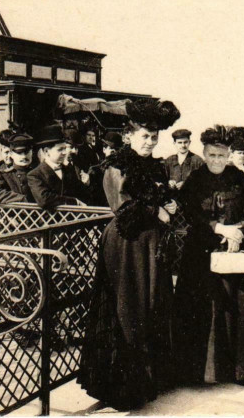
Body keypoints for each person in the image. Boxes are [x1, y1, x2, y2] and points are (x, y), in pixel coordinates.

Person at [78, 98, 181, 411]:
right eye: (144, 137)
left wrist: (170, 204)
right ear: (129, 137)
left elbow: (160, 195)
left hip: (151, 246)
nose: (149, 142)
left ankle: (151, 380)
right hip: (127, 244)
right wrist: (159, 212)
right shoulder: (118, 164)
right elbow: (122, 209)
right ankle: (123, 388)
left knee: (152, 304)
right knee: (128, 307)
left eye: (153, 137)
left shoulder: (154, 164)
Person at [173, 125, 244, 387]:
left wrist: (238, 231)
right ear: (204, 153)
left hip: (233, 250)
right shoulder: (195, 178)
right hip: (201, 251)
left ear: (228, 155)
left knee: (235, 309)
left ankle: (237, 371)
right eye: (211, 155)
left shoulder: (240, 178)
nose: (216, 161)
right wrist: (217, 228)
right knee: (202, 308)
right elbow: (190, 212)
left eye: (221, 156)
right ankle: (197, 374)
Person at [28, 125, 88, 211]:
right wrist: (74, 201)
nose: (64, 152)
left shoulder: (68, 169)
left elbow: (80, 192)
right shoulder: (35, 175)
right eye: (60, 149)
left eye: (64, 148)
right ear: (46, 151)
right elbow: (44, 199)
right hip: (49, 221)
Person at [0, 132, 35, 203]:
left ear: (31, 152)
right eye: (19, 153)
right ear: (11, 154)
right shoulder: (2, 172)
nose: (24, 156)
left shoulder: (39, 170)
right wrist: (24, 199)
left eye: (27, 152)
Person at [87, 131, 124, 206]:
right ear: (104, 149)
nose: (114, 154)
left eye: (116, 151)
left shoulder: (123, 169)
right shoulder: (95, 170)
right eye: (112, 150)